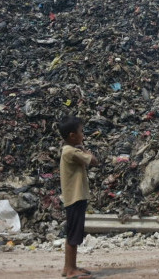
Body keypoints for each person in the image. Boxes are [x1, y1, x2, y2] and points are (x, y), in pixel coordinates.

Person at [58, 116, 98, 279]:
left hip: (74, 196)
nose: (83, 135)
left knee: (73, 232)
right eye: (81, 131)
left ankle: (69, 266)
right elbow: (94, 161)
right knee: (74, 233)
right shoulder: (72, 151)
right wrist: (85, 150)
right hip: (75, 197)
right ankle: (70, 270)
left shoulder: (68, 150)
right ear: (72, 135)